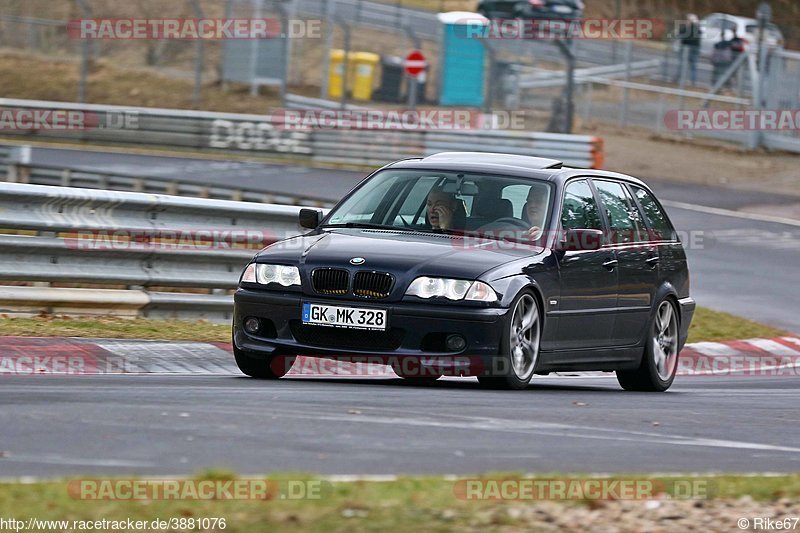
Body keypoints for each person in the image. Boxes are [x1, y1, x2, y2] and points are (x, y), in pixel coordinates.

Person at [680, 14, 702, 85]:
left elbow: (682, 34)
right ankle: (693, 81)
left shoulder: (689, 28)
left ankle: (681, 79)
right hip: (694, 48)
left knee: (684, 65)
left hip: (688, 48)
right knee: (693, 66)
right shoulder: (697, 29)